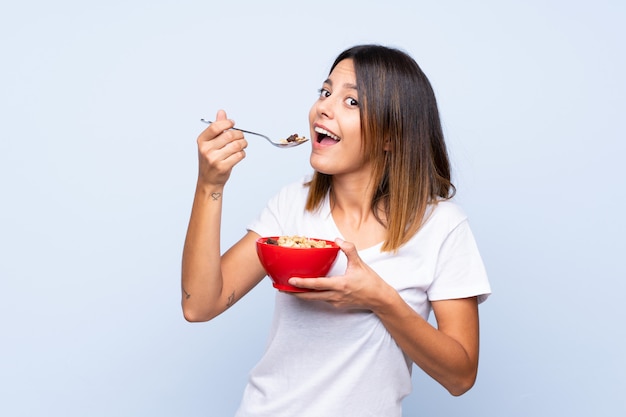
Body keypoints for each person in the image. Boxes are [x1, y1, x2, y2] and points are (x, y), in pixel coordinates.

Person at [181, 44, 491, 417]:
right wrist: (209, 185)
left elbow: (460, 377)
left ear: (392, 136)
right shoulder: (292, 205)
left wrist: (380, 299)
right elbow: (199, 305)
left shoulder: (441, 226)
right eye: (325, 92)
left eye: (352, 102)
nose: (323, 107)